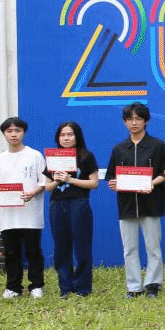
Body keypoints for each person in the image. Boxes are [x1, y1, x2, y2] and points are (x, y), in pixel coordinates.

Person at [106, 102, 165, 298]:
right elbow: (111, 176)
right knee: (130, 248)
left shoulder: (157, 145)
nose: (134, 123)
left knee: (153, 247)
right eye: (130, 119)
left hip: (151, 203)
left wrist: (151, 183)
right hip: (126, 204)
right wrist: (113, 183)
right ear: (124, 122)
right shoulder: (119, 148)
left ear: (146, 121)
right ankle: (134, 286)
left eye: (138, 119)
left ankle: (153, 284)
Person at [0, 117, 48, 299]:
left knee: (33, 251)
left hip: (31, 213)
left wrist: (33, 192)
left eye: (17, 130)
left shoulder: (35, 155)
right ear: (4, 134)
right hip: (8, 215)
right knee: (11, 252)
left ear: (24, 133)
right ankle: (13, 287)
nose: (13, 134)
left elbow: (44, 182)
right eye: (9, 131)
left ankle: (36, 285)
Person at [42, 120, 98, 297]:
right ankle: (65, 287)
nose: (66, 138)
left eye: (70, 134)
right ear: (58, 138)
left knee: (82, 245)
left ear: (77, 136)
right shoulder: (53, 157)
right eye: (63, 135)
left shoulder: (86, 156)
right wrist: (57, 181)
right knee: (61, 246)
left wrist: (70, 179)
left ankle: (82, 287)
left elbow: (94, 183)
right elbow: (47, 187)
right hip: (57, 204)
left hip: (78, 203)